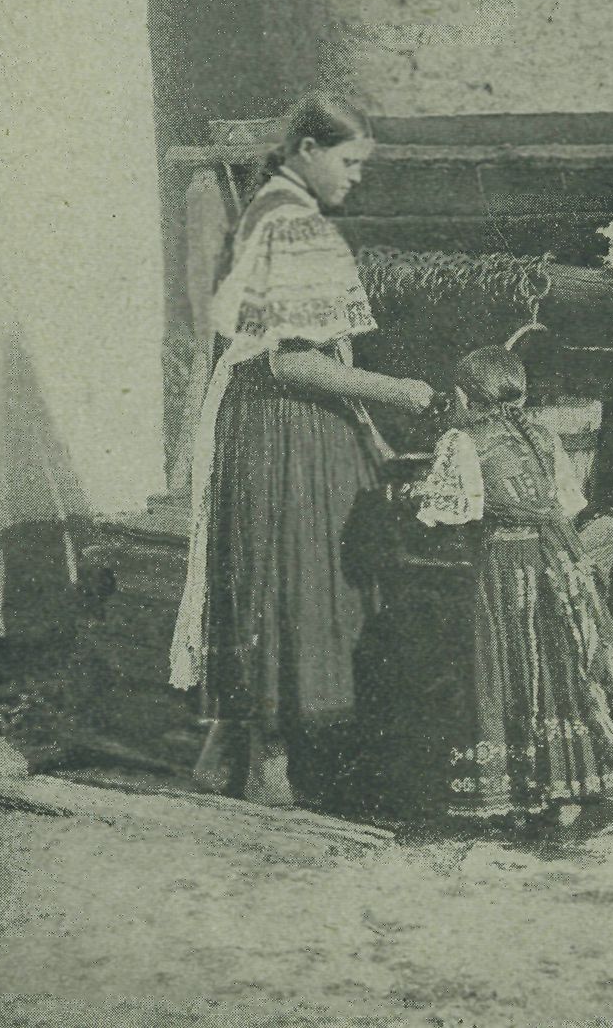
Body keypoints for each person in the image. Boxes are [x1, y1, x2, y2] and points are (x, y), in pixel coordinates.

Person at [169, 91, 435, 807]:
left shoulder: (279, 213)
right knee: (290, 585)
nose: (356, 177)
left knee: (274, 583)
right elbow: (290, 361)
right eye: (348, 162)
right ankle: (270, 767)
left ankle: (235, 751)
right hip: (284, 427)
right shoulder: (290, 225)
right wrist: (397, 391)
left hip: (277, 425)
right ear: (310, 151)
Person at [412, 344, 613, 825]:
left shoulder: (463, 440)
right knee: (557, 658)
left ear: (464, 395)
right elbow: (570, 502)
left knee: (509, 660)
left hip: (507, 562)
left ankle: (519, 790)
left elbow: (447, 514)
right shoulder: (542, 436)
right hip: (557, 556)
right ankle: (567, 785)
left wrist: (416, 492)